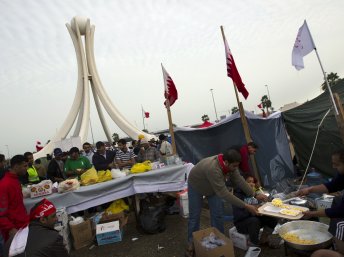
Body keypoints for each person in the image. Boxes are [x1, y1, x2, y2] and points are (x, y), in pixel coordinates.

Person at [186, 149, 268, 256]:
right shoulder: (213, 168)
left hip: (212, 187)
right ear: (226, 163)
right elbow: (224, 194)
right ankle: (191, 243)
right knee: (194, 216)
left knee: (217, 215)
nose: (235, 169)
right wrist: (246, 206)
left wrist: (255, 194)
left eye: (237, 166)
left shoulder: (231, 164)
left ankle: (220, 243)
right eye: (234, 166)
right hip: (196, 185)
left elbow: (240, 181)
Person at [298, 149, 344, 257]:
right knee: (336, 201)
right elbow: (332, 185)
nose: (334, 167)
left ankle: (341, 251)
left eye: (337, 164)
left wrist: (312, 213)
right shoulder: (342, 174)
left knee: (339, 224)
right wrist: (309, 190)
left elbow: (341, 211)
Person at [5, 199, 69, 257]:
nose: (56, 219)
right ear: (43, 220)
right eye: (53, 216)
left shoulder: (13, 238)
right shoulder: (53, 238)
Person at [233, 175, 278, 246]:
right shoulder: (237, 196)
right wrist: (253, 211)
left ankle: (264, 239)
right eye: (249, 182)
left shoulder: (254, 194)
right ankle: (253, 244)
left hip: (255, 218)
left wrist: (266, 204)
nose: (252, 184)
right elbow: (239, 215)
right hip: (241, 223)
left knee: (273, 218)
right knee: (254, 221)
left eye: (253, 182)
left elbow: (259, 206)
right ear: (243, 183)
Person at [0, 155, 29, 243]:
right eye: (25, 166)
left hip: (23, 225)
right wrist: (11, 229)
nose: (27, 168)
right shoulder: (5, 185)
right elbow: (1, 214)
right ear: (16, 166)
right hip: (15, 231)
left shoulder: (15, 180)